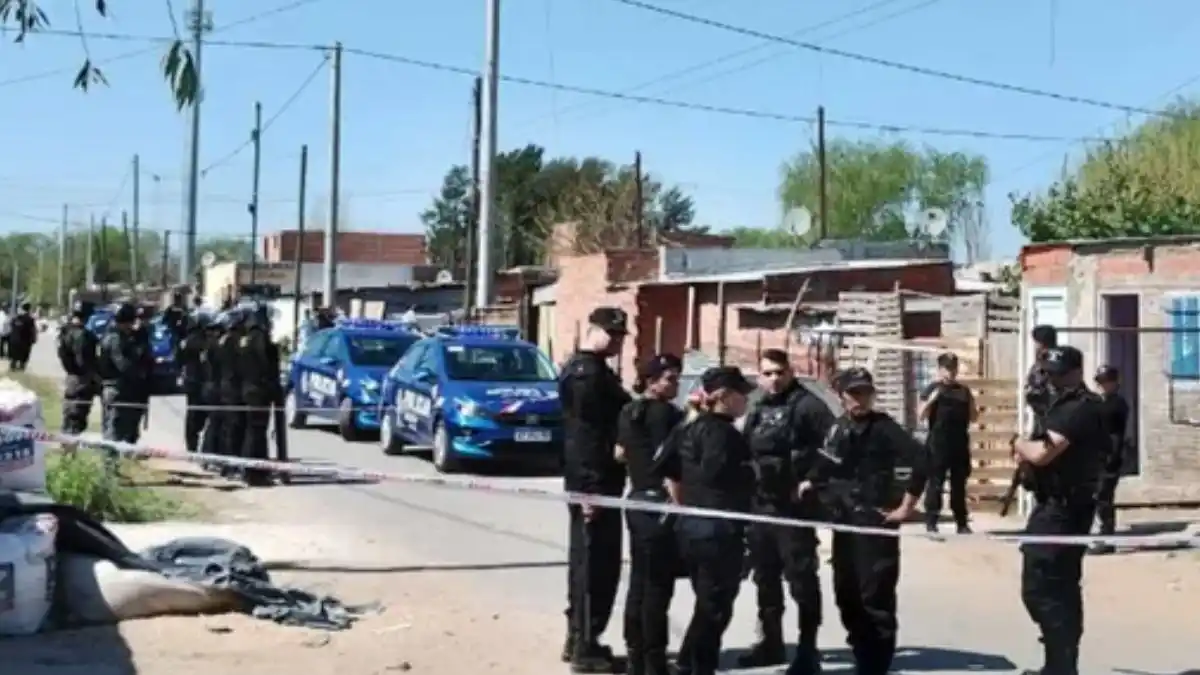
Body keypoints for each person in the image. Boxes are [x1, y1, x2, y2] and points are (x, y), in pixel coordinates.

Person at [801, 367, 928, 675]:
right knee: (847, 593)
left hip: (875, 522)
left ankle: (876, 663)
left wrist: (907, 506)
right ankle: (861, 653)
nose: (861, 400)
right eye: (854, 394)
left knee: (875, 596)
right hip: (844, 520)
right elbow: (825, 462)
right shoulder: (839, 427)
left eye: (866, 393)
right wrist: (809, 482)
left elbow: (923, 460)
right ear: (842, 397)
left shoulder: (884, 427)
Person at [1010, 345, 1106, 675]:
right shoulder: (1061, 407)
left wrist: (1018, 443)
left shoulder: (1079, 408)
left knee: (1043, 586)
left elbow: (1041, 454)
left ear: (1077, 373)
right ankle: (1059, 664)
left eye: (1059, 375)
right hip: (1055, 504)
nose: (1053, 381)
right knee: (1057, 587)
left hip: (1063, 510)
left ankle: (1062, 663)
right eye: (1050, 375)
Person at [738, 348, 834, 673]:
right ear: (759, 375)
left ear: (790, 372)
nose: (774, 379)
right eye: (767, 373)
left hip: (793, 510)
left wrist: (812, 479)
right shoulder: (757, 404)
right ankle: (771, 643)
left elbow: (835, 447)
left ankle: (808, 651)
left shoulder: (808, 406)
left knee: (801, 580)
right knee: (765, 578)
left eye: (780, 372)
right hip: (760, 506)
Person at [560, 306, 632, 673]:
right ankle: (584, 647)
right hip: (593, 482)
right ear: (593, 330)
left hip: (598, 480)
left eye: (621, 335)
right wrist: (590, 488)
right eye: (612, 333)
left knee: (592, 563)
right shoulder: (587, 375)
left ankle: (580, 638)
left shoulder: (594, 371)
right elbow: (585, 438)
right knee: (593, 565)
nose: (617, 341)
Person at [672, 366, 756, 675]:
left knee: (708, 602)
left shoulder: (692, 427)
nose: (746, 401)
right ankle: (699, 666)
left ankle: (687, 661)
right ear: (723, 397)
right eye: (741, 395)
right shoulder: (721, 434)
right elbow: (716, 475)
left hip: (695, 527)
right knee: (715, 606)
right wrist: (751, 476)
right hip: (716, 530)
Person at [617, 354, 685, 675]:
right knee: (658, 585)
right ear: (651, 381)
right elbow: (671, 467)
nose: (676, 384)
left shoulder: (629, 411)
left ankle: (635, 656)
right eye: (670, 378)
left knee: (640, 583)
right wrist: (680, 507)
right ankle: (654, 660)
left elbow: (619, 453)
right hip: (659, 504)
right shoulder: (666, 415)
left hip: (636, 501)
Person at [918, 352, 978, 534]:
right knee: (935, 483)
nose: (950, 372)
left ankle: (961, 522)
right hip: (938, 443)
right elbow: (921, 415)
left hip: (959, 442)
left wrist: (972, 407)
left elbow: (974, 416)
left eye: (953, 368)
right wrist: (932, 400)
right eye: (947, 368)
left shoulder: (964, 391)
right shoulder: (932, 389)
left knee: (959, 484)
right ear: (940, 369)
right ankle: (931, 521)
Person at [237, 303, 282, 487]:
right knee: (257, 433)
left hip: (248, 390)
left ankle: (251, 470)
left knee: (251, 432)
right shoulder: (259, 339)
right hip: (258, 391)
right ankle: (256, 473)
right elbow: (264, 367)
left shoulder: (246, 338)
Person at [97, 303, 151, 446]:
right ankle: (110, 466)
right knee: (113, 431)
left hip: (117, 388)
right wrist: (138, 369)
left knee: (122, 429)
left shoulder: (113, 335)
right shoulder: (115, 339)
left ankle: (116, 463)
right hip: (116, 389)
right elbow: (123, 365)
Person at [1090, 365, 1129, 555]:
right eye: (1101, 382)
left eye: (1107, 382)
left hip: (1111, 456)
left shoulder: (1116, 404)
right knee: (1099, 497)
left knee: (1103, 497)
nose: (1104, 386)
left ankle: (1106, 539)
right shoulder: (1100, 402)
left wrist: (1110, 458)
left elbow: (1114, 434)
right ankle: (1102, 536)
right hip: (1098, 456)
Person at [58, 300, 99, 435]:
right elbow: (82, 360)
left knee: (69, 412)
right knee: (78, 415)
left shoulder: (65, 331)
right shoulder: (84, 335)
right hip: (82, 379)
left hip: (71, 377)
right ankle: (71, 444)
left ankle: (66, 443)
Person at [216, 308, 248, 479]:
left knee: (230, 428)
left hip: (227, 387)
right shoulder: (231, 341)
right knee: (234, 428)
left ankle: (228, 465)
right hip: (231, 388)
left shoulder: (225, 340)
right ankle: (230, 466)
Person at [179, 309, 212, 453]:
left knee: (197, 415)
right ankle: (192, 447)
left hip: (194, 382)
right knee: (196, 416)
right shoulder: (195, 340)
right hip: (196, 382)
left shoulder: (188, 339)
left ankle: (193, 446)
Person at [8, 302, 37, 371]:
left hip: (14, 341)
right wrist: (33, 339)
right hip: (25, 341)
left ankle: (13, 367)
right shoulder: (30, 319)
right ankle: (21, 368)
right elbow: (32, 330)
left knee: (14, 357)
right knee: (23, 357)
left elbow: (11, 327)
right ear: (29, 309)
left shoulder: (15, 318)